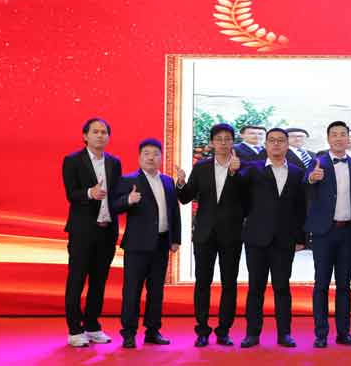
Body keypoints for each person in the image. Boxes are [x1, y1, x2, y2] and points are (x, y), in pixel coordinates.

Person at [238, 128, 308, 348]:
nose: (276, 144)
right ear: (266, 145)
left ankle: (284, 334)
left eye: (280, 141)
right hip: (256, 238)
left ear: (287, 145)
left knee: (282, 288)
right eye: (272, 141)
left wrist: (300, 238)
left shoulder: (297, 172)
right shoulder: (252, 170)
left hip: (284, 240)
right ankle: (252, 334)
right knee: (255, 288)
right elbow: (240, 199)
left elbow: (300, 207)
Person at [176, 124, 244, 348]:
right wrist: (181, 183)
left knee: (229, 284)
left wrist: (235, 174)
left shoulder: (243, 167)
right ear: (212, 143)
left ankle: (224, 330)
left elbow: (248, 199)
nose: (223, 143)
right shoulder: (202, 167)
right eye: (219, 139)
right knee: (202, 283)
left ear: (233, 142)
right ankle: (202, 330)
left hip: (232, 234)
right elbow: (186, 198)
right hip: (205, 234)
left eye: (227, 139)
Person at [112, 139, 182, 349]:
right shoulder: (128, 180)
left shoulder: (168, 181)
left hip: (161, 244)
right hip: (137, 245)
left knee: (156, 291)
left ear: (161, 157)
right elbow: (113, 206)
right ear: (139, 157)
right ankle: (129, 333)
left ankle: (153, 331)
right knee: (132, 291)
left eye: (155, 154)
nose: (151, 158)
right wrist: (128, 200)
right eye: (146, 153)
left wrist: (175, 239)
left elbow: (174, 211)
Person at [62, 118, 122, 347]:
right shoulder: (72, 160)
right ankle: (74, 330)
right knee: (77, 280)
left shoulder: (114, 163)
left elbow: (116, 195)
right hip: (82, 231)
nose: (100, 136)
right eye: (95, 132)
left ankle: (92, 326)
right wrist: (90, 193)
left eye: (104, 132)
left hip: (107, 231)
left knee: (99, 282)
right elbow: (71, 193)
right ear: (85, 136)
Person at [305, 121, 351, 348]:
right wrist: (312, 178)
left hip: (349, 232)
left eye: (343, 134)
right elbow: (304, 183)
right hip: (324, 233)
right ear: (328, 138)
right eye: (334, 134)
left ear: (348, 138)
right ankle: (320, 334)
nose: (339, 138)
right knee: (321, 284)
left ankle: (344, 333)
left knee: (344, 286)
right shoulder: (317, 162)